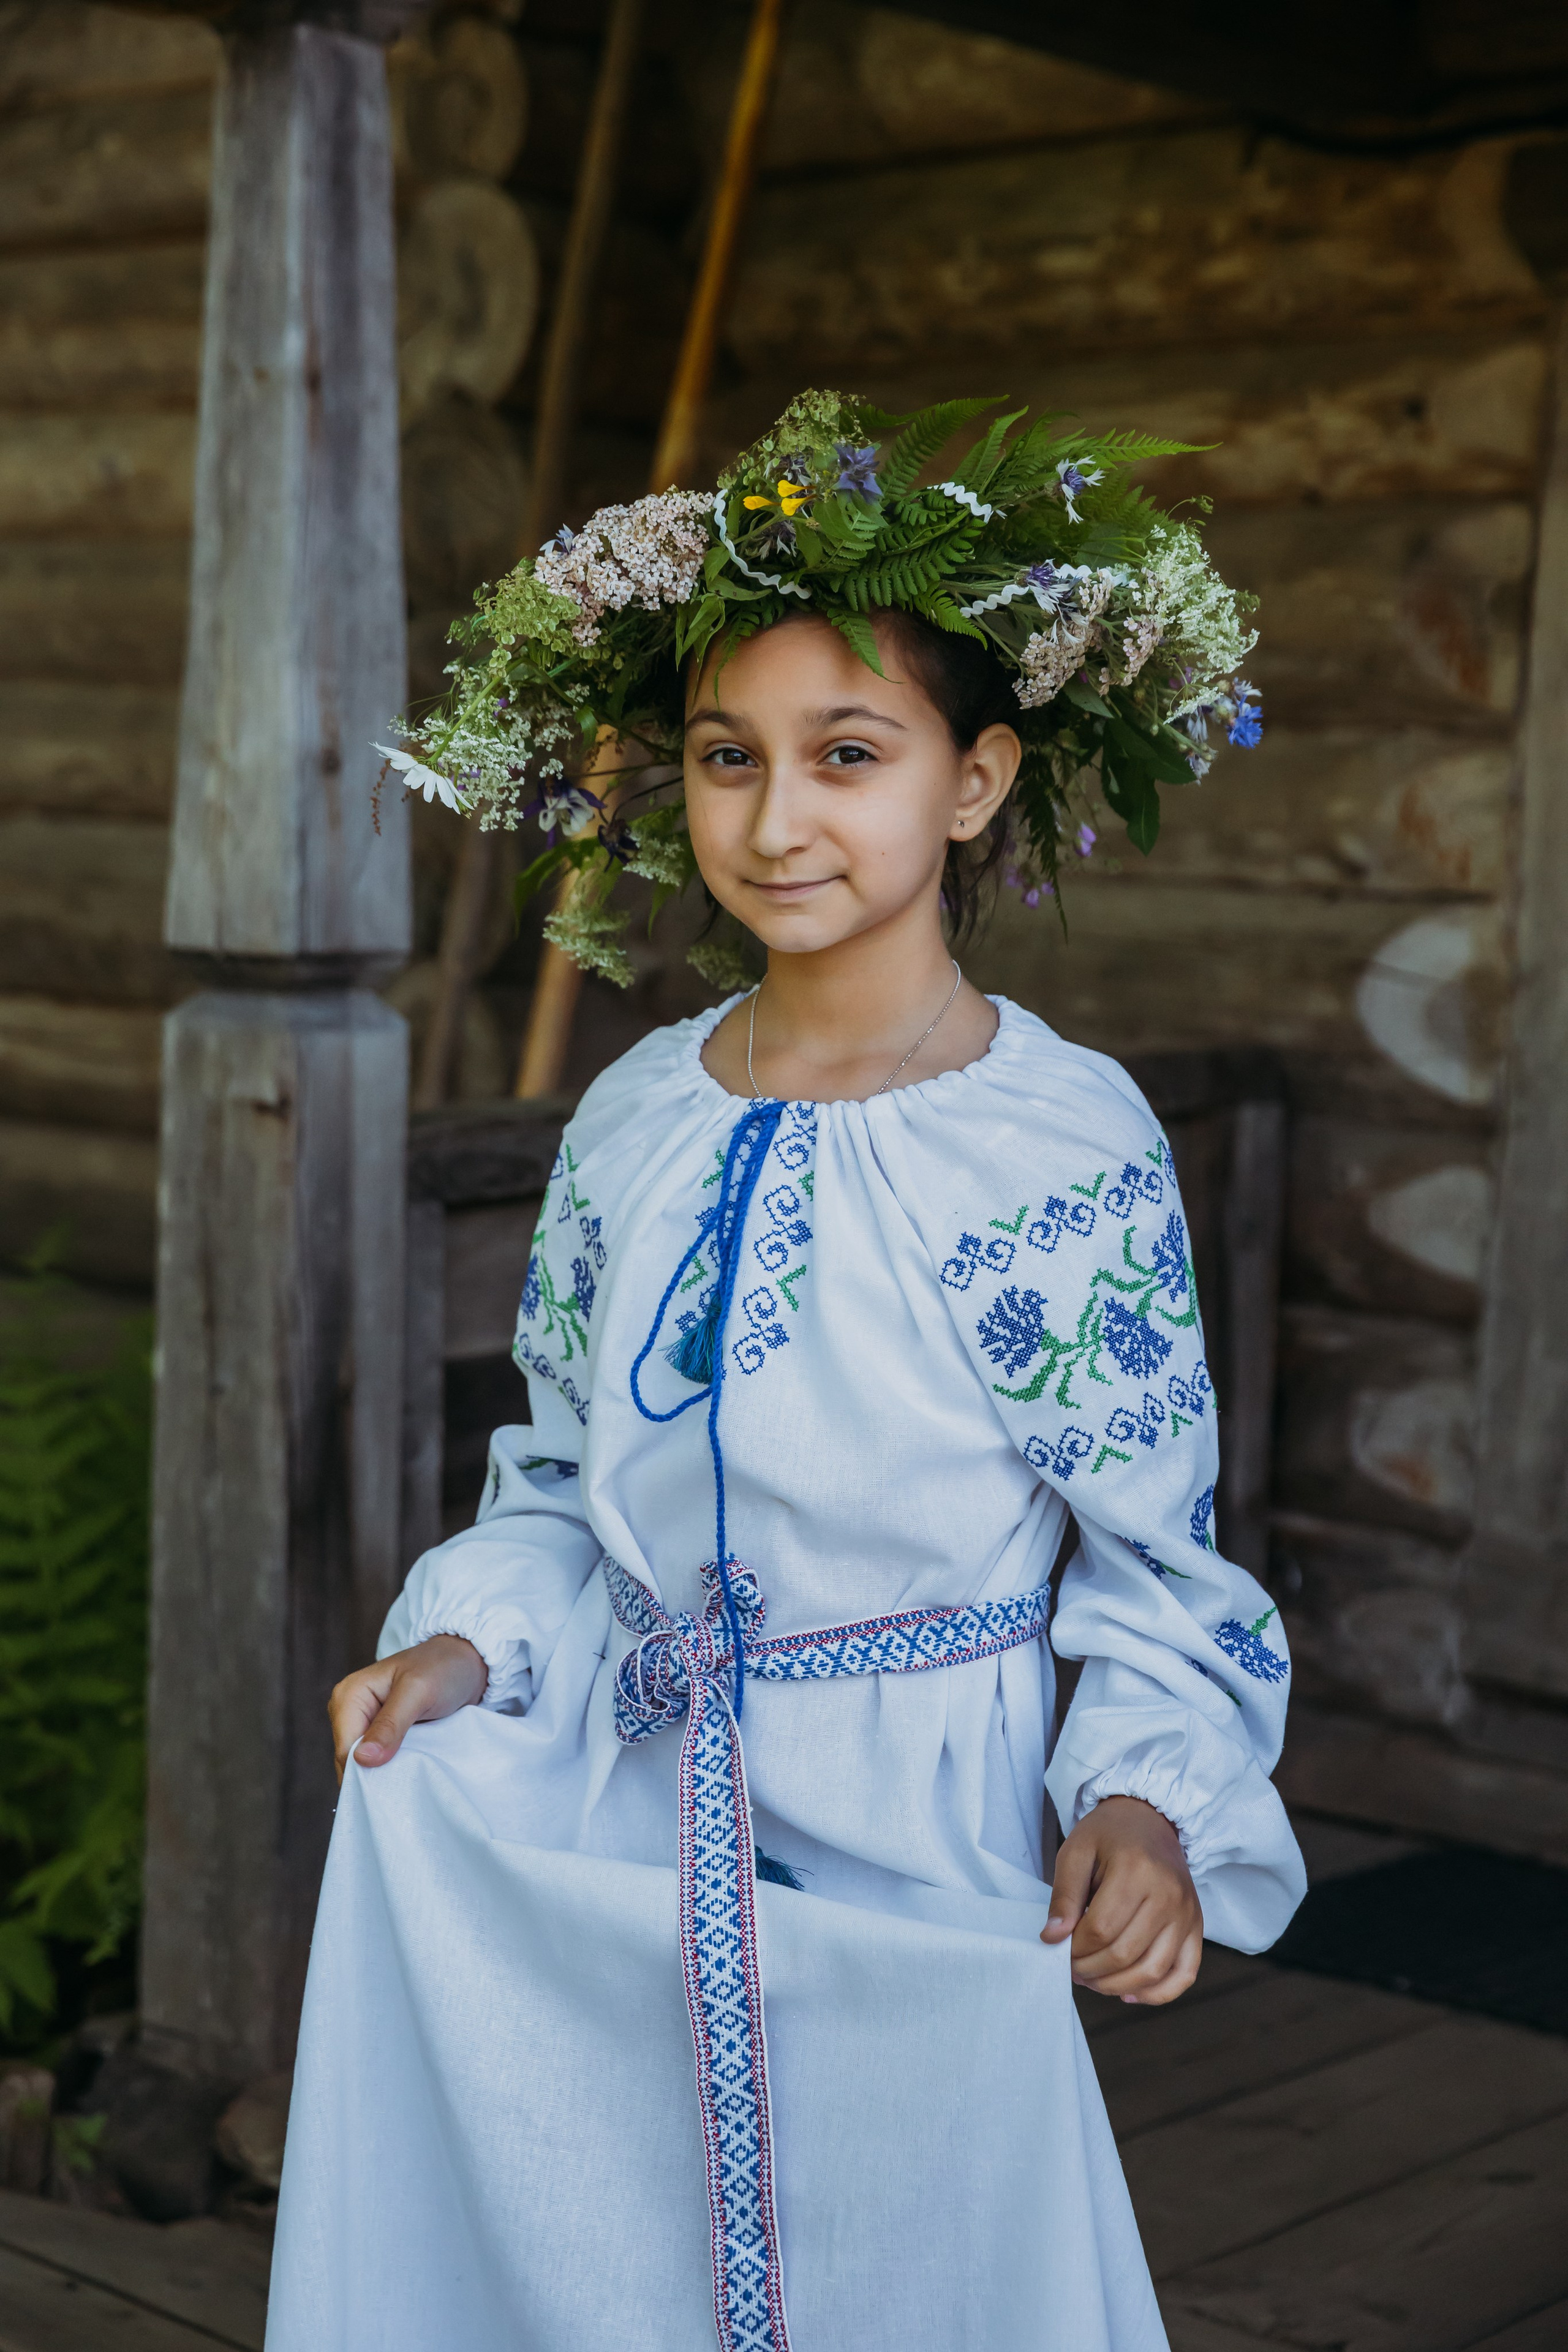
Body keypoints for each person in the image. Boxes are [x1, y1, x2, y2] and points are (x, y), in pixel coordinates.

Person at [269, 396, 1303, 2352]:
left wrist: (1148, 1799)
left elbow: (1149, 1558)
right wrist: (468, 1655)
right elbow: (569, 1485)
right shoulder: (641, 1116)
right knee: (624, 2252)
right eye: (729, 761)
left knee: (901, 2274)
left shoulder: (1057, 1148)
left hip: (921, 1833)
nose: (776, 820)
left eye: (850, 756)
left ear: (977, 783)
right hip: (638, 1804)